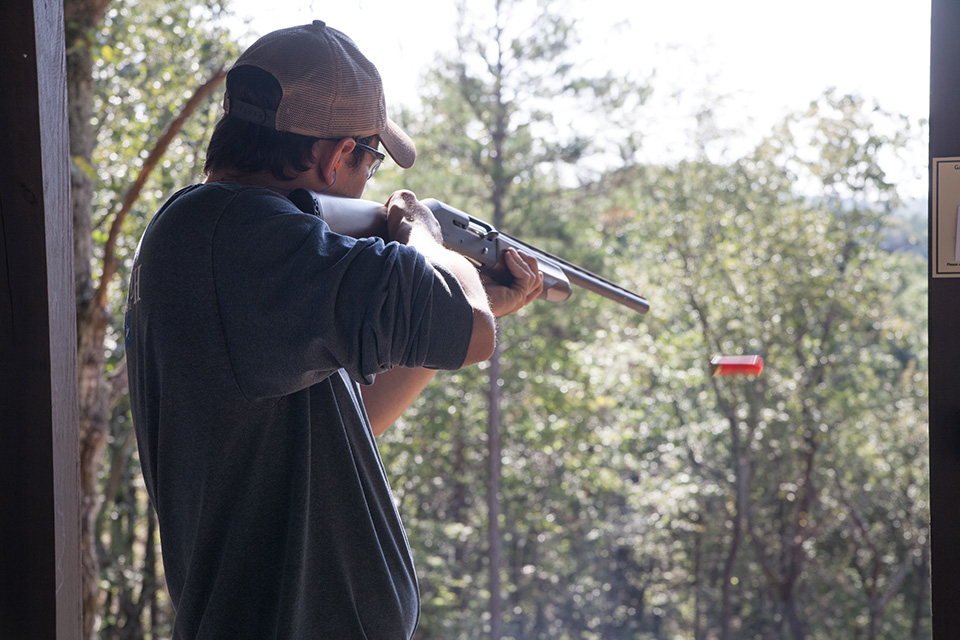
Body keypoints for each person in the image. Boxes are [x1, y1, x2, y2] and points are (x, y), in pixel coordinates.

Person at [124, 20, 543, 640]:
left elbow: (349, 421)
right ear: (335, 155)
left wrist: (459, 307)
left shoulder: (218, 236)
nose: (371, 178)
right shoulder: (246, 239)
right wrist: (423, 234)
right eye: (372, 160)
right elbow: (473, 332)